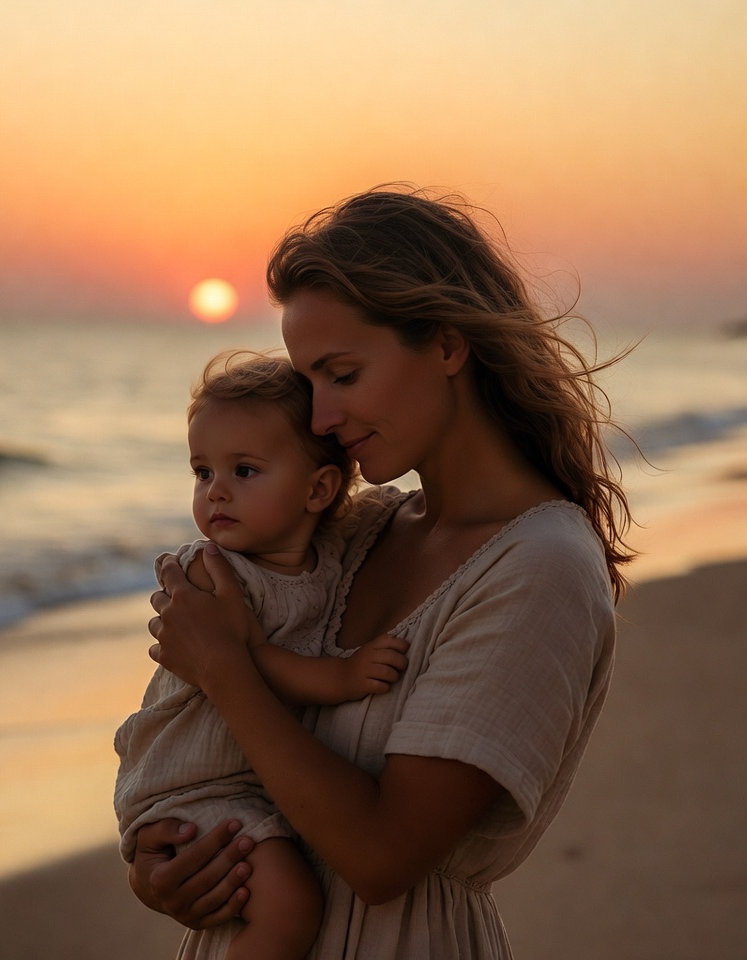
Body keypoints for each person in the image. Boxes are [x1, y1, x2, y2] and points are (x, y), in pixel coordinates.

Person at [131, 185, 635, 959]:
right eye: (308, 385)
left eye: (342, 374)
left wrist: (226, 666)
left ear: (444, 344)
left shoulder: (542, 567)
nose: (321, 419)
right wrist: (172, 863)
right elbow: (234, 762)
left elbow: (382, 856)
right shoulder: (359, 530)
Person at [114, 350, 410, 960]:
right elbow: (249, 662)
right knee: (290, 906)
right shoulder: (216, 572)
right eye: (202, 472)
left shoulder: (329, 552)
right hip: (190, 783)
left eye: (243, 471)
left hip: (235, 784)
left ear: (319, 490)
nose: (215, 491)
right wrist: (342, 677)